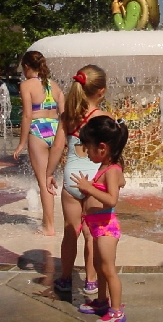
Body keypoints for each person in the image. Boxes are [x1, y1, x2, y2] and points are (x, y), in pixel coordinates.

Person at [46, 64, 109, 295]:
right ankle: (91, 280)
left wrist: (49, 173)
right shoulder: (104, 119)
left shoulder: (68, 117)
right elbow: (110, 155)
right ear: (101, 91)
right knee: (92, 235)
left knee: (70, 232)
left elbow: (57, 147)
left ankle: (65, 278)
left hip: (71, 180)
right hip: (94, 183)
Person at [73, 115, 128, 322]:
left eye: (88, 148)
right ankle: (102, 300)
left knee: (108, 269)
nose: (87, 153)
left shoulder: (112, 170)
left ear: (102, 147)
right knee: (99, 267)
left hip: (106, 228)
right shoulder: (106, 166)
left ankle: (116, 311)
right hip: (97, 226)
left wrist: (89, 189)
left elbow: (111, 199)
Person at [12, 51, 64, 236]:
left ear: (27, 67)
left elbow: (27, 115)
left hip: (38, 130)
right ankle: (51, 221)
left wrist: (21, 143)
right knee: (51, 177)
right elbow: (64, 113)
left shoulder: (26, 85)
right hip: (55, 129)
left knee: (43, 182)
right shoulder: (54, 85)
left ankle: (48, 226)